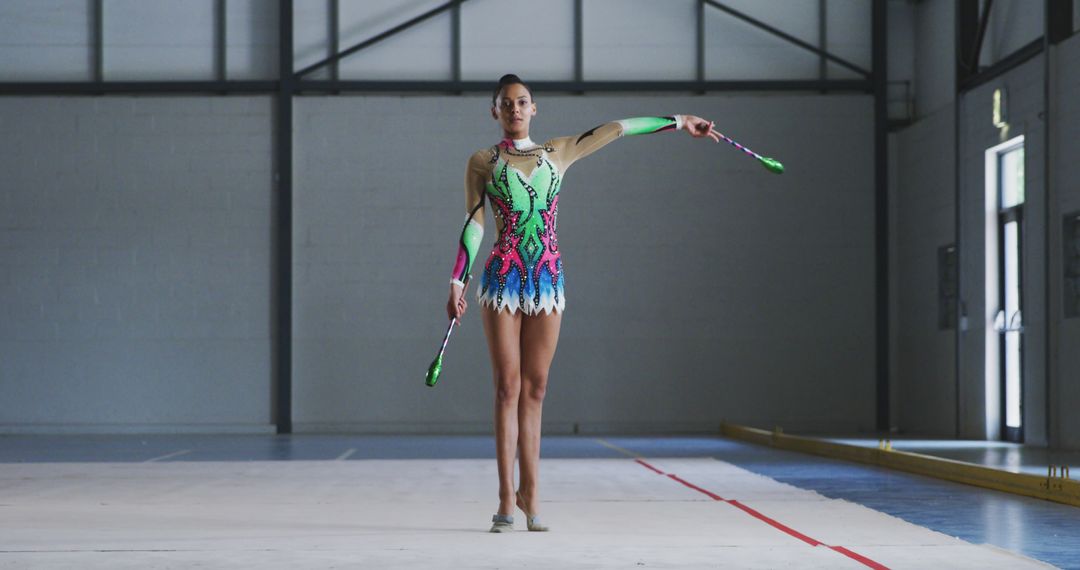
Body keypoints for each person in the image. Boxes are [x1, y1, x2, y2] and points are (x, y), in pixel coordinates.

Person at [445, 74, 720, 533]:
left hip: (548, 278)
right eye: (506, 103)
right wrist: (457, 279)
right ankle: (504, 499)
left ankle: (530, 493)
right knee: (506, 388)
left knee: (536, 389)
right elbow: (473, 225)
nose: (515, 109)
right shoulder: (482, 161)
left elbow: (616, 129)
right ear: (495, 111)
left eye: (523, 102)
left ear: (535, 108)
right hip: (503, 278)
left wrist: (680, 120)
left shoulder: (558, 151)